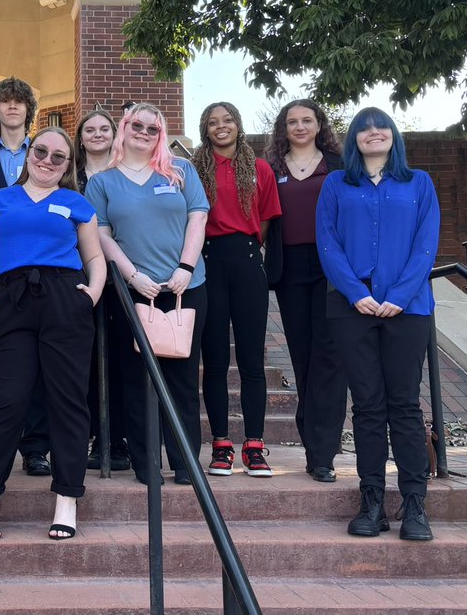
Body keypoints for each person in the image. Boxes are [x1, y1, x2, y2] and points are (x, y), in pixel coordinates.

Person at [0, 127, 105, 540]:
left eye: (58, 156)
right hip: (11, 302)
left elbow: (94, 256)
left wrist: (90, 296)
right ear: (28, 154)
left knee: (68, 401)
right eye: (40, 151)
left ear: (68, 165)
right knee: (7, 399)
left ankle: (67, 497)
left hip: (65, 300)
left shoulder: (77, 203)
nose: (47, 160)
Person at [317, 107, 440, 541]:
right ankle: (371, 502)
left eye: (381, 126)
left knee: (404, 405)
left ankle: (415, 505)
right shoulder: (337, 184)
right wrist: (356, 293)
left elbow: (426, 245)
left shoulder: (418, 183)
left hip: (408, 309)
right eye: (364, 128)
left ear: (393, 135)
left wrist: (400, 296)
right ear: (354, 138)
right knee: (367, 406)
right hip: (352, 308)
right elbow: (327, 243)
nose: (373, 132)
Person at [86, 103, 209, 486]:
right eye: (136, 125)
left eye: (152, 128)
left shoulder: (181, 170)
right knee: (137, 380)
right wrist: (132, 275)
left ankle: (185, 463)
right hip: (133, 292)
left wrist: (185, 268)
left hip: (185, 289)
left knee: (182, 380)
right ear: (124, 128)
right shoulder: (102, 181)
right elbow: (101, 234)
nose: (143, 132)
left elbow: (198, 217)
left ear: (161, 134)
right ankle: (146, 464)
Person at [192, 101, 281, 478]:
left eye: (227, 119)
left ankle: (255, 446)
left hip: (247, 262)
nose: (221, 126)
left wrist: (248, 248)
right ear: (205, 129)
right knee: (213, 361)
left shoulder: (260, 169)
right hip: (209, 263)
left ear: (238, 124)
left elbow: (265, 222)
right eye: (213, 122)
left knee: (251, 360)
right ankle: (221, 445)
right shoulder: (195, 169)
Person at [0, 77, 51, 477]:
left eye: (20, 101)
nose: (13, 107)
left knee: (38, 366)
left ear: (29, 110)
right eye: (6, 101)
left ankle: (35, 447)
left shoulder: (47, 156)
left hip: (40, 278)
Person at [263, 99, 346, 483]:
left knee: (329, 357)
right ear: (284, 128)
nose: (299, 126)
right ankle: (313, 444)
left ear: (318, 125)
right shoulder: (271, 168)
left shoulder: (339, 165)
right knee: (303, 357)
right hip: (290, 268)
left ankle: (324, 454)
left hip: (333, 269)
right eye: (292, 121)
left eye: (306, 120)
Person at [74, 109, 130, 472]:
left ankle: (122, 438)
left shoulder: (127, 173)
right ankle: (96, 436)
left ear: (114, 134)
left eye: (104, 129)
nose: (97, 134)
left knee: (122, 358)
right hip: (80, 274)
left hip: (124, 274)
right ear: (80, 138)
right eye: (89, 129)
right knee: (89, 360)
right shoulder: (69, 177)